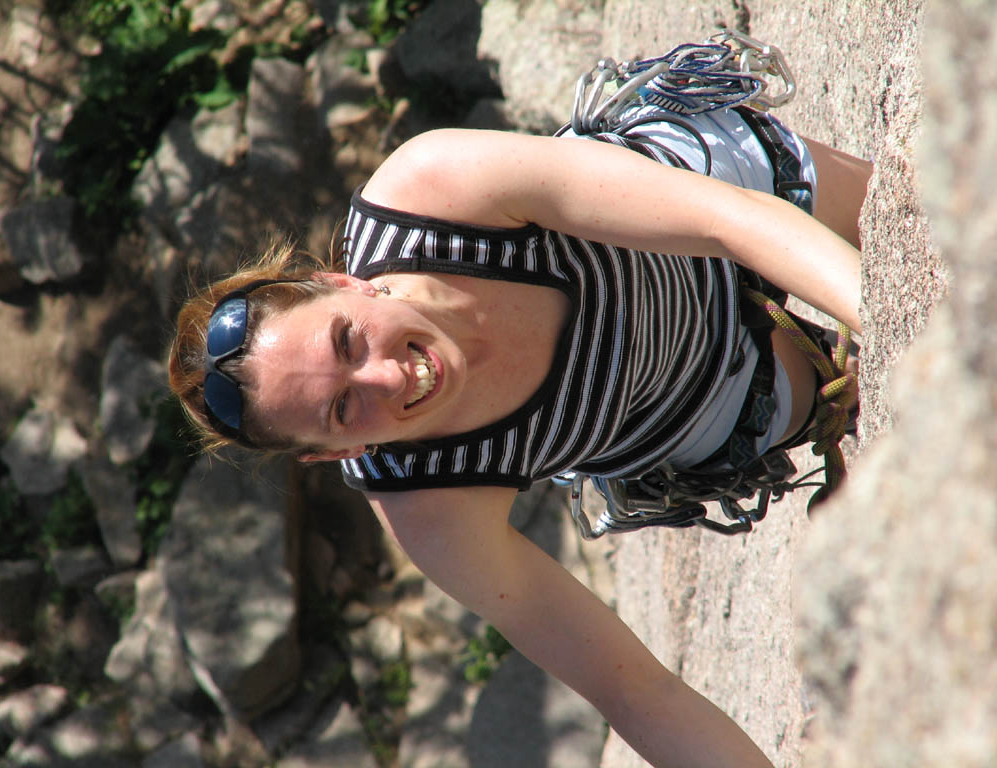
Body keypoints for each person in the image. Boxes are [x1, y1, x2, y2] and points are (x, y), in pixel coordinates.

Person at [167, 45, 870, 767]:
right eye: (345, 410)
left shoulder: (432, 192)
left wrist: (897, 313)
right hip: (709, 394)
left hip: (708, 194)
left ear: (343, 282)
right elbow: (635, 692)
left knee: (899, 219)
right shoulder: (430, 505)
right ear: (336, 454)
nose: (385, 377)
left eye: (348, 341)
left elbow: (731, 219)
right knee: (846, 384)